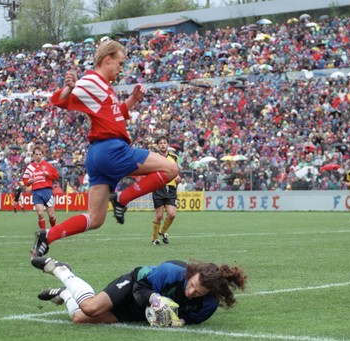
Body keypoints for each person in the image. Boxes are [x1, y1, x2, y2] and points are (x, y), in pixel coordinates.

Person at [31, 40, 178, 257]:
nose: (121, 69)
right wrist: (69, 87)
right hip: (112, 149)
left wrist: (133, 100)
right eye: (120, 63)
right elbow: (60, 100)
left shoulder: (104, 88)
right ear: (107, 60)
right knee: (171, 169)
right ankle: (122, 199)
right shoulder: (92, 80)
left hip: (98, 156)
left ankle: (48, 236)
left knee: (95, 219)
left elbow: (115, 114)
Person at [31, 257, 247, 326]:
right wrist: (154, 298)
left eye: (197, 292)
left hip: (141, 311)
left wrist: (171, 319)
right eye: (191, 285)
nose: (191, 292)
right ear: (191, 274)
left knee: (79, 318)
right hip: (134, 285)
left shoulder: (207, 306)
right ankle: (61, 271)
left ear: (209, 294)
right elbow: (140, 287)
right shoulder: (171, 271)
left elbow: (184, 320)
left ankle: (66, 293)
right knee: (90, 307)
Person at [151, 136, 180, 246]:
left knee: (172, 214)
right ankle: (154, 238)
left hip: (171, 188)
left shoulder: (174, 157)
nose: (163, 145)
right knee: (159, 216)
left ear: (168, 144)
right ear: (158, 145)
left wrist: (178, 178)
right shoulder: (154, 157)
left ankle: (162, 232)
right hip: (158, 187)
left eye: (164, 143)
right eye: (160, 143)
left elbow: (176, 171)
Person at [23, 145, 59, 229]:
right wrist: (28, 182)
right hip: (36, 192)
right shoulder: (30, 167)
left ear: (42, 155)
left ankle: (53, 230)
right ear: (33, 155)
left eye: (40, 154)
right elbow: (25, 180)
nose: (38, 156)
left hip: (47, 191)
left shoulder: (48, 165)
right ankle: (43, 234)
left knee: (51, 216)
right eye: (36, 154)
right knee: (40, 214)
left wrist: (48, 174)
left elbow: (56, 176)